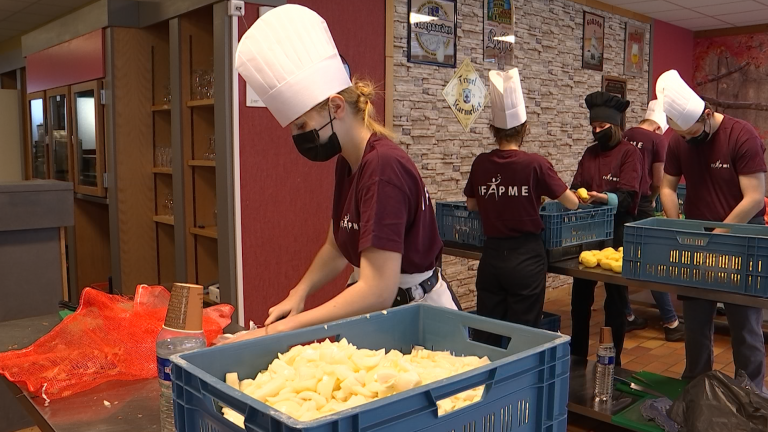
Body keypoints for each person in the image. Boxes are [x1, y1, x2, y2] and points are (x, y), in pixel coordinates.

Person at [225, 5, 459, 344]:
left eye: (302, 125)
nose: (298, 137)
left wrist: (279, 331)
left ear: (336, 107)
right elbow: (337, 245)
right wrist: (299, 291)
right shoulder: (349, 161)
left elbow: (377, 290)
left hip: (417, 317)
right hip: (387, 314)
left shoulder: (383, 169)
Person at [657, 69, 767, 389]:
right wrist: (676, 225)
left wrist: (720, 234)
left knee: (744, 327)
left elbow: (754, 197)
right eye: (683, 136)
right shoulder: (679, 141)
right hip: (696, 239)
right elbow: (667, 187)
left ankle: (751, 394)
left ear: (706, 114)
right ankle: (696, 389)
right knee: (695, 326)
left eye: (692, 133)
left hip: (743, 238)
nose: (688, 140)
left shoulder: (741, 135)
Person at [463, 69, 579, 346]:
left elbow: (471, 205)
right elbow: (572, 202)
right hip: (526, 259)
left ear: (493, 130)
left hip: (492, 257)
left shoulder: (481, 163)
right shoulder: (536, 164)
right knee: (523, 337)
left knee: (487, 334)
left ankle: (484, 384)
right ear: (525, 128)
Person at [570, 91, 643, 366]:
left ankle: (613, 360)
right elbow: (574, 184)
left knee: (615, 300)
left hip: (617, 233)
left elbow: (628, 198)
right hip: (588, 233)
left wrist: (603, 197)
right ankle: (577, 356)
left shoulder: (630, 154)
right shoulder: (589, 154)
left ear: (614, 127)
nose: (597, 132)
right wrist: (576, 195)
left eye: (602, 128)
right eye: (594, 128)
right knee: (580, 299)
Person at [622, 101, 685, 342]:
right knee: (654, 260)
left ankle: (626, 315)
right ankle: (670, 322)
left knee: (623, 257)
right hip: (643, 202)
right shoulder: (658, 141)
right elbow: (659, 180)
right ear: (660, 127)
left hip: (621, 201)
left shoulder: (625, 134)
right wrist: (656, 201)